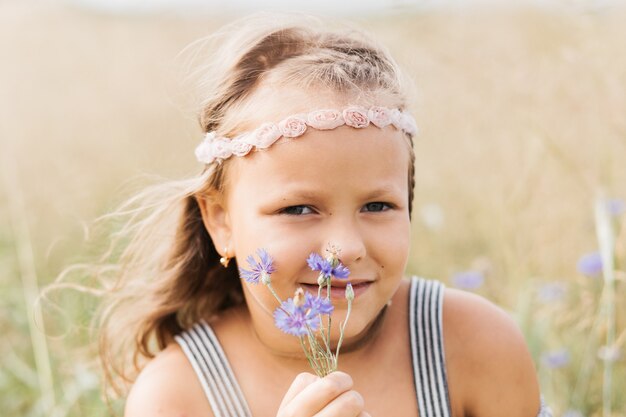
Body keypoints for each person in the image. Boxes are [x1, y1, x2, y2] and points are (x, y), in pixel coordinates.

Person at [98, 14, 552, 417]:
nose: (347, 248)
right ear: (221, 223)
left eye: (378, 206)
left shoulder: (474, 344)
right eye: (298, 209)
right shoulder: (177, 396)